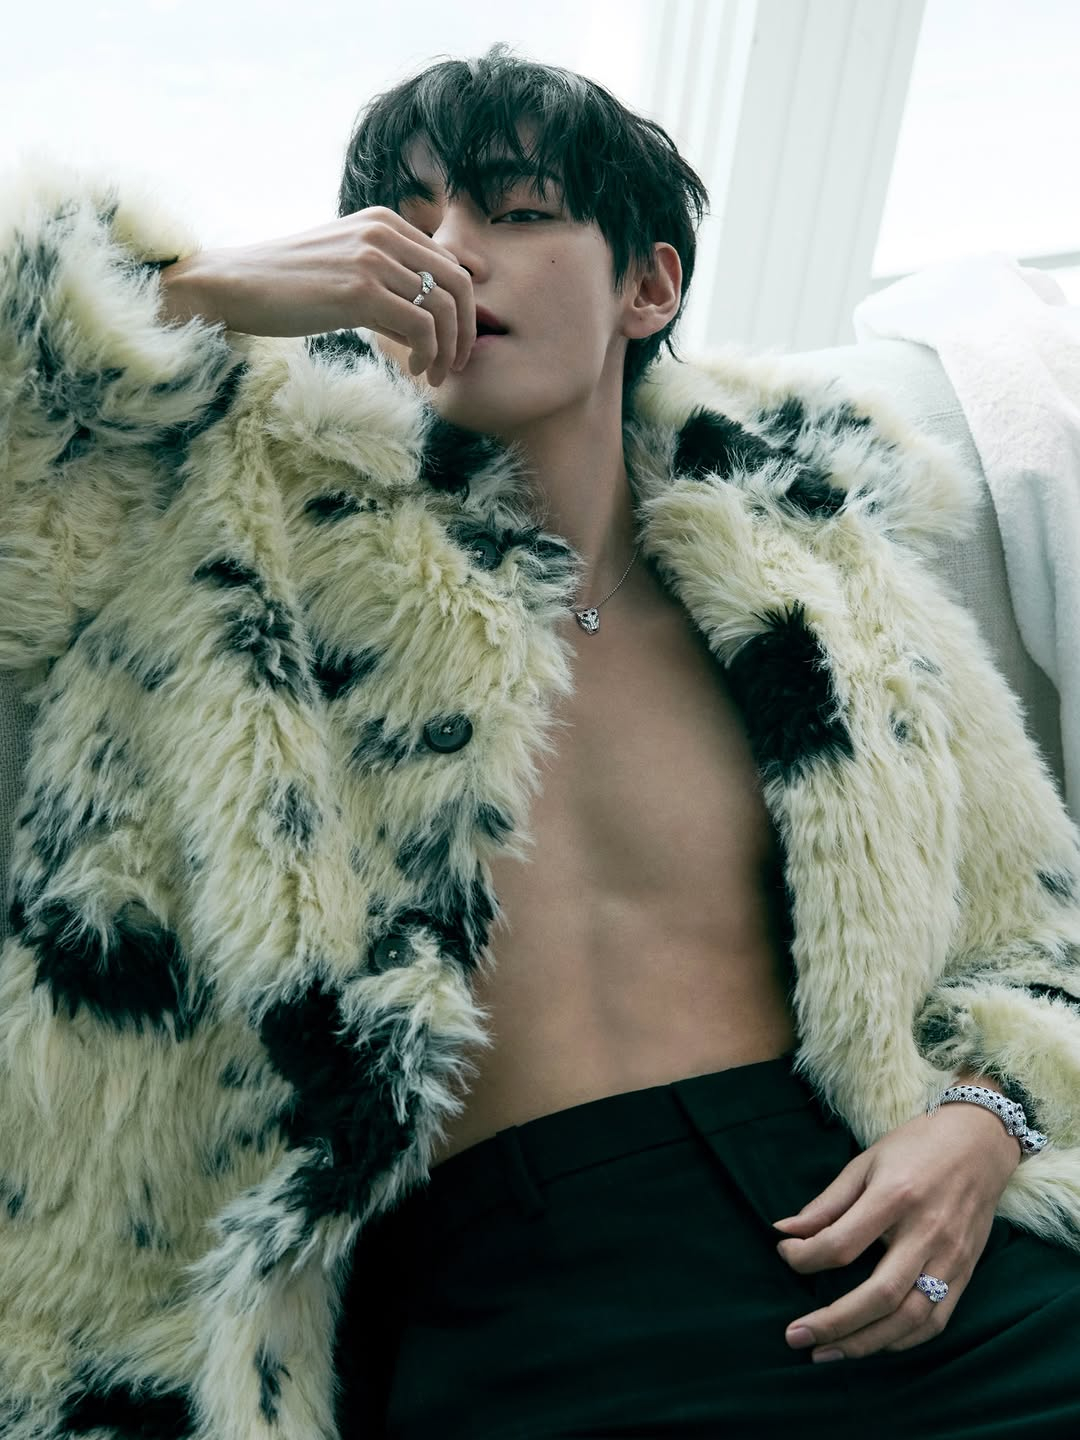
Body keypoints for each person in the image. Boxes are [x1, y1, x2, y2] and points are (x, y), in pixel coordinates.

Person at [2, 39, 1080, 1440]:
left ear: (648, 287)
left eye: (516, 211)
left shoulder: (821, 579)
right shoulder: (235, 541)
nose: (449, 253)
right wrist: (205, 287)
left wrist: (984, 1126)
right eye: (404, 217)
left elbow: (1037, 935)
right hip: (528, 1300)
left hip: (899, 1239)